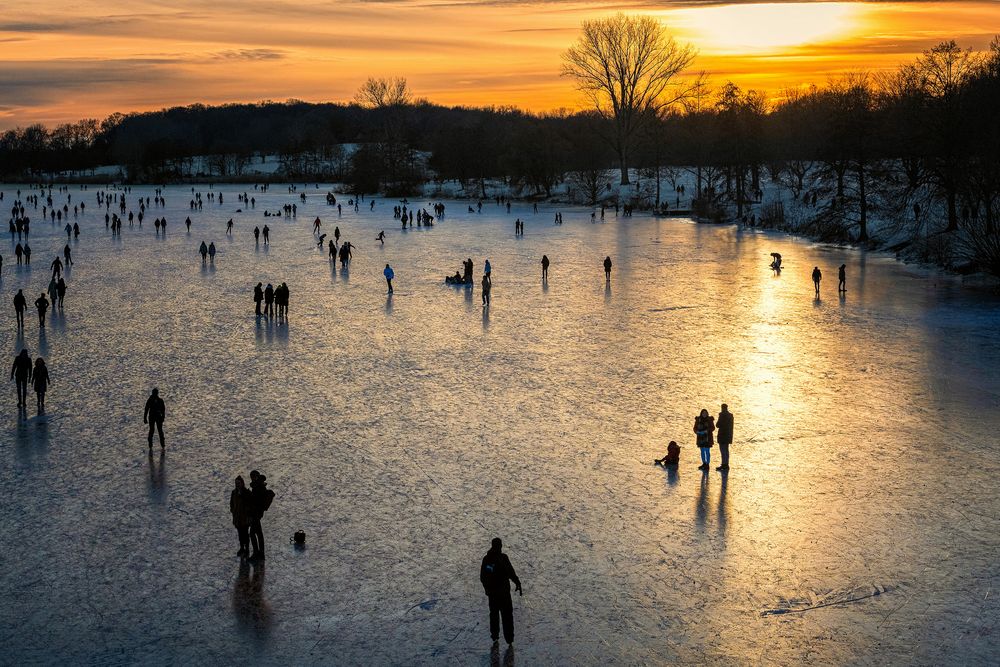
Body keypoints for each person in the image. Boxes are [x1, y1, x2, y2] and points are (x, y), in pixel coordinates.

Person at [480, 537, 522, 645]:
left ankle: (508, 638)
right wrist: (487, 589)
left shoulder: (503, 558)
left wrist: (517, 582)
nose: (499, 548)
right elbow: (483, 576)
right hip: (496, 594)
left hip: (502, 594)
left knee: (505, 615)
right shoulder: (488, 559)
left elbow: (510, 572)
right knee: (497, 615)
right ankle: (497, 636)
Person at [248, 470, 272, 561]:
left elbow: (256, 501)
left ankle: (256, 554)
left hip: (256, 514)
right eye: (251, 477)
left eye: (253, 477)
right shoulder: (258, 486)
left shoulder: (258, 487)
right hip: (257, 513)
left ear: (257, 477)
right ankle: (260, 554)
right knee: (258, 533)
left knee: (252, 533)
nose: (252, 478)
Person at [230, 476, 253, 558]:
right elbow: (232, 504)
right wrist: (233, 511)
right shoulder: (234, 493)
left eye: (238, 483)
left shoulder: (247, 493)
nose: (237, 485)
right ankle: (242, 548)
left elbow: (250, 505)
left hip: (245, 518)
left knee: (245, 534)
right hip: (237, 518)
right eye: (236, 483)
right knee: (240, 534)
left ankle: (246, 549)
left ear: (242, 483)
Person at [716, 405, 734, 471]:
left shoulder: (722, 415)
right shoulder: (730, 416)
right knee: (726, 450)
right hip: (728, 436)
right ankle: (726, 464)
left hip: (722, 435)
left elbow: (717, 425)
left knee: (723, 450)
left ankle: (724, 464)